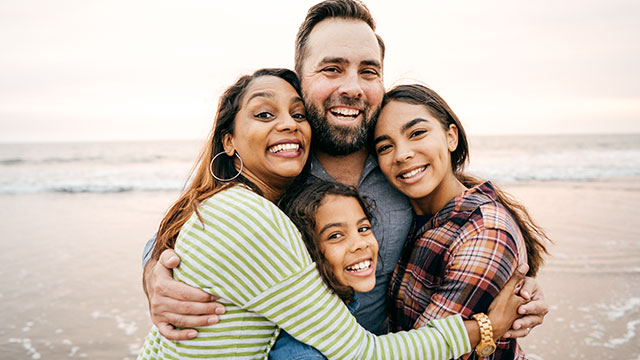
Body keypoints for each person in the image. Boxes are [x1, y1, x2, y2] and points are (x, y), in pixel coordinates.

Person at [141, 0, 549, 342]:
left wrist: (515, 280)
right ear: (299, 80)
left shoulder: (397, 160)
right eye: (332, 69)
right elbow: (192, 220)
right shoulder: (281, 161)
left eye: (368, 71)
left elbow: (460, 215)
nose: (352, 87)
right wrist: (154, 275)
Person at [374, 84, 551, 359]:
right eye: (385, 146)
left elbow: (422, 354)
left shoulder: (485, 232)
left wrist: (488, 327)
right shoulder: (405, 215)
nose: (402, 154)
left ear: (451, 136)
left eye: (417, 133)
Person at [270, 181, 379, 359]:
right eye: (335, 236)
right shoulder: (303, 353)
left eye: (363, 228)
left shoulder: (339, 316)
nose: (360, 243)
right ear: (304, 252)